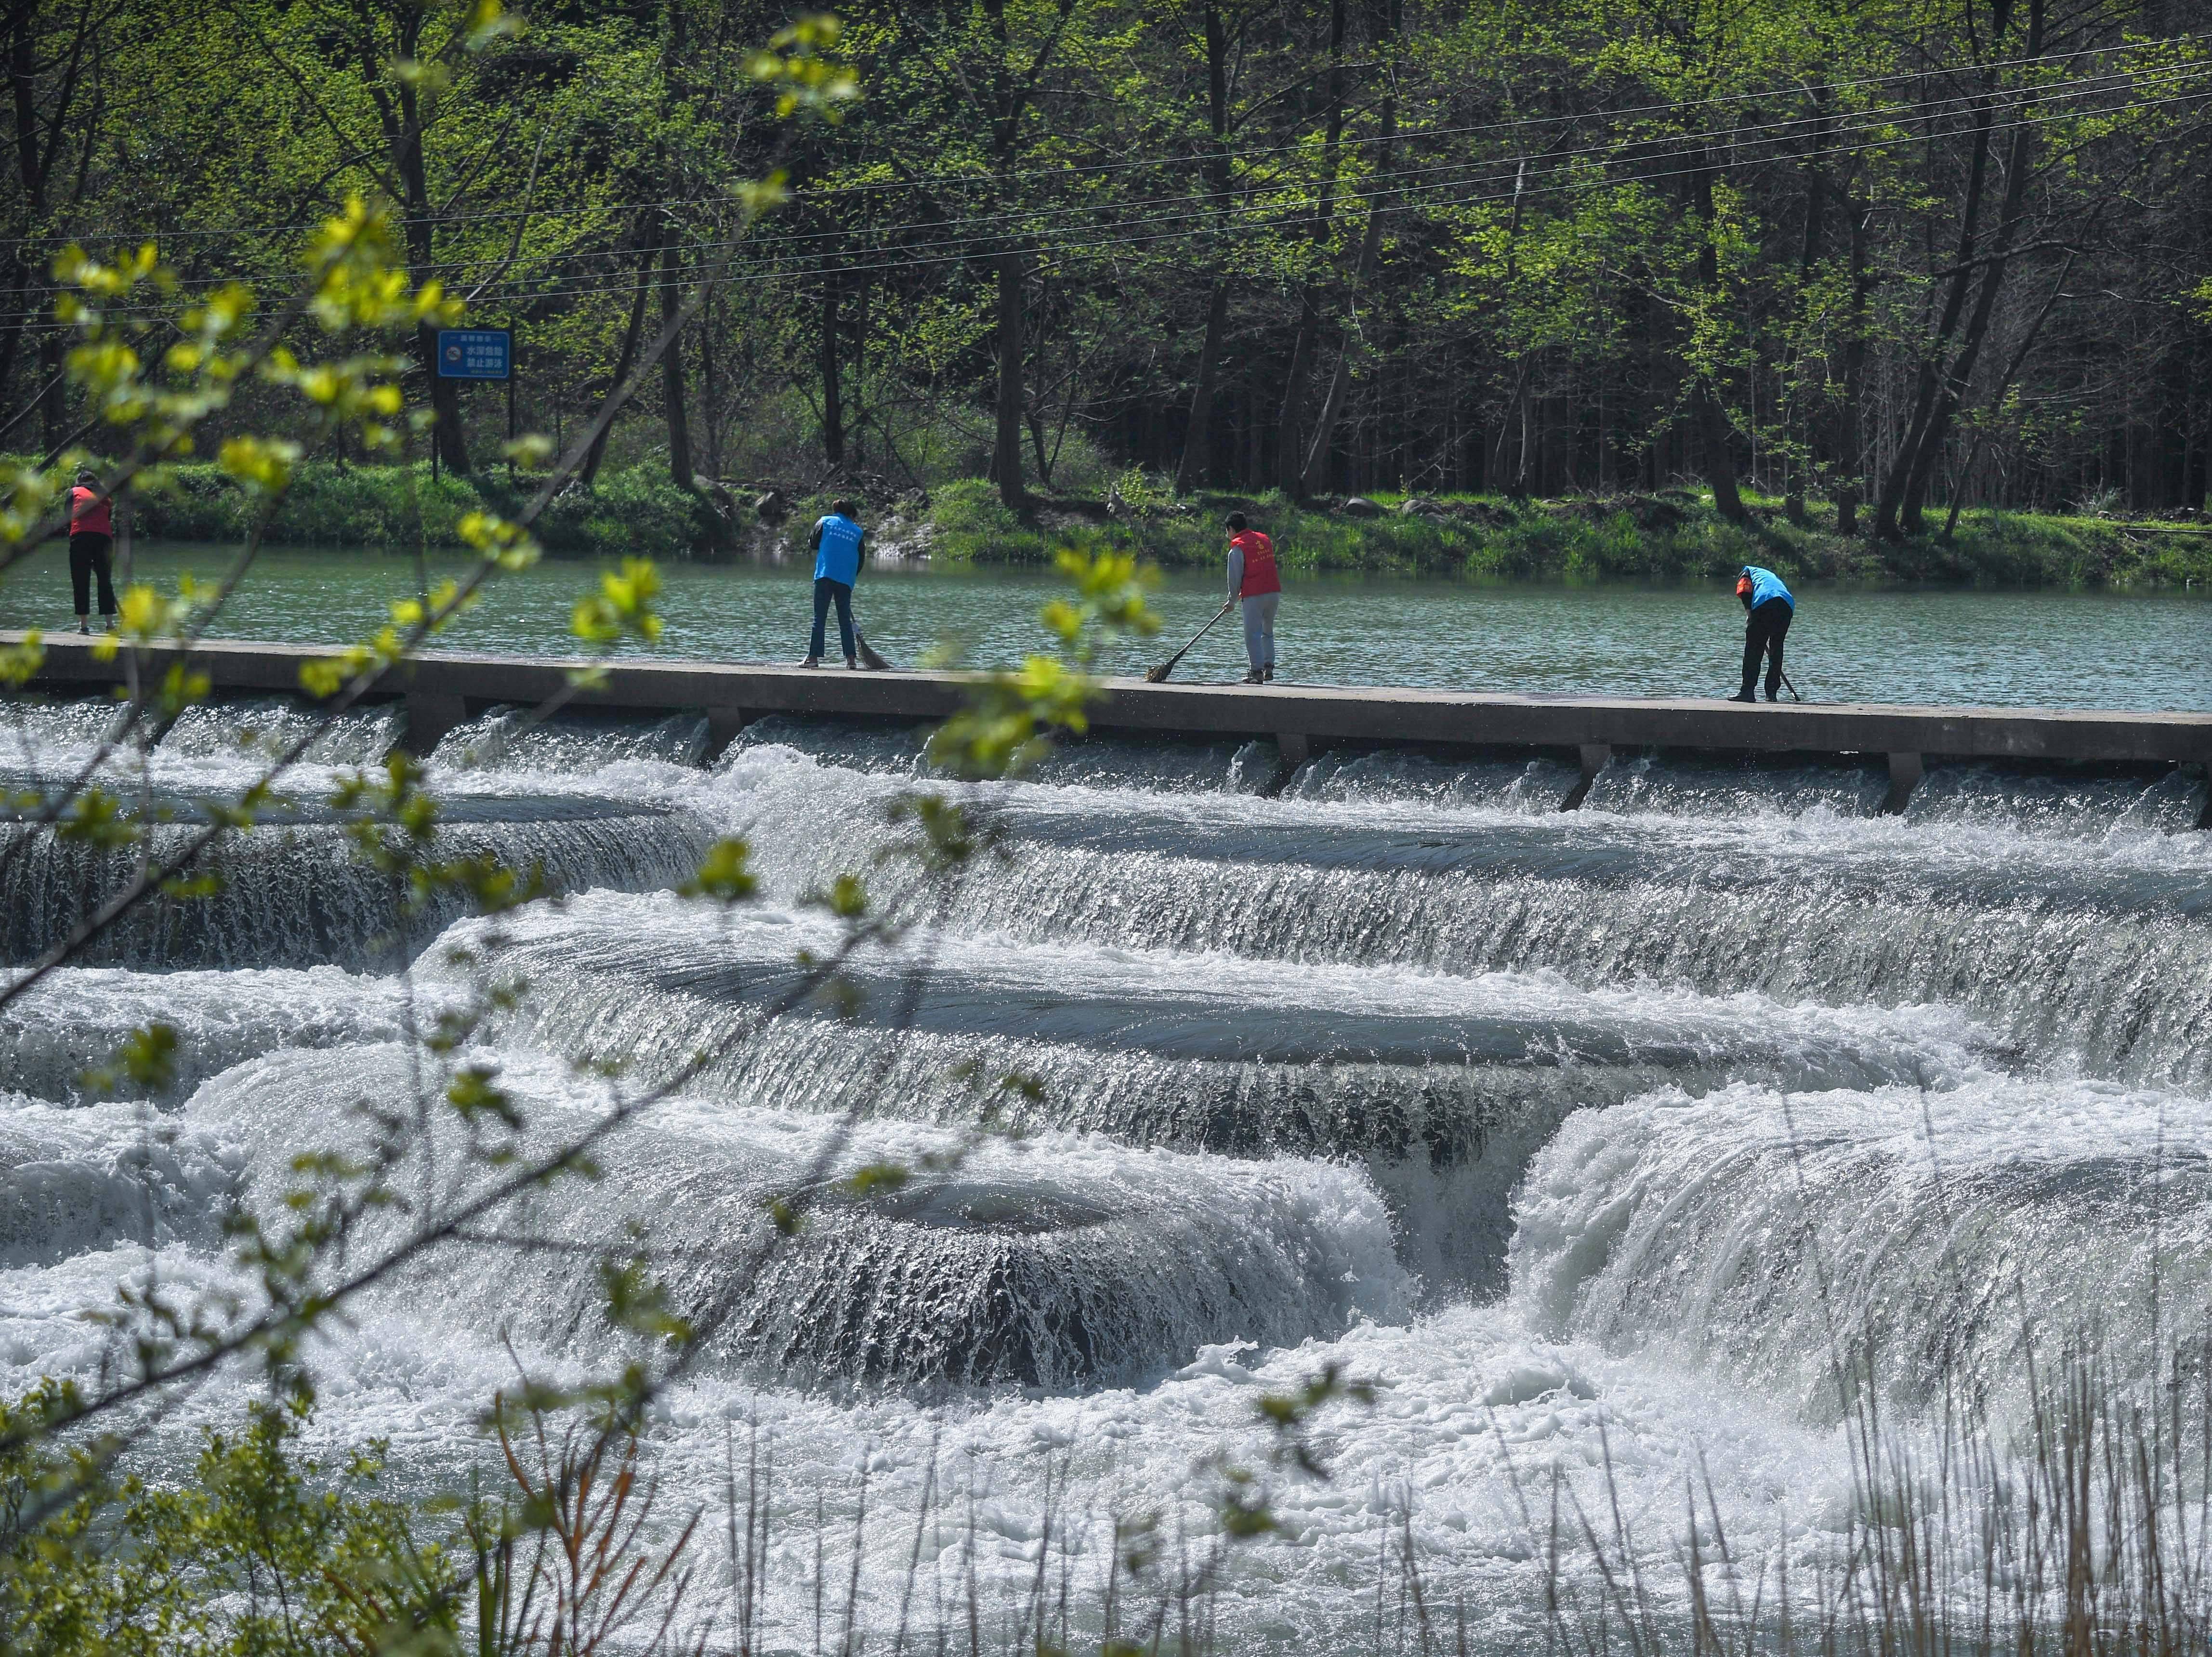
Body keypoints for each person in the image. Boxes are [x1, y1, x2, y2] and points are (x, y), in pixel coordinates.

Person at [802, 497, 866, 669]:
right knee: (845, 620)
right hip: (845, 580)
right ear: (851, 514)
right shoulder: (857, 532)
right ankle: (851, 660)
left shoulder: (825, 521)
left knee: (819, 618)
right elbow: (861, 560)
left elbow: (813, 543)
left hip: (825, 575)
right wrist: (850, 577)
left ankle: (813, 658)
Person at [1224, 512, 1279, 684]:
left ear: (1231, 529)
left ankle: (1256, 672)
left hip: (1255, 596)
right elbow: (1260, 567)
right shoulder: (1264, 539)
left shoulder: (1237, 548)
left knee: (1252, 634)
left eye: (1227, 531)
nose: (1227, 535)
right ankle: (1268, 667)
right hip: (1274, 592)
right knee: (1267, 631)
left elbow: (1234, 577)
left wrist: (1232, 601)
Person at [1731, 563, 1794, 702]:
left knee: (1754, 649)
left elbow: (1745, 592)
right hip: (1787, 605)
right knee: (1776, 650)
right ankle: (1771, 693)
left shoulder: (1746, 572)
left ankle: (1747, 691)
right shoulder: (1768, 575)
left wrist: (1749, 613)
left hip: (1765, 603)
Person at [66, 468, 117, 635]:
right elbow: (106, 519)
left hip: (80, 536)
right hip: (104, 539)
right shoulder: (106, 496)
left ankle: (84, 626)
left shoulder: (74, 492)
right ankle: (110, 626)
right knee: (105, 580)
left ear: (79, 482)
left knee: (81, 580)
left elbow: (68, 517)